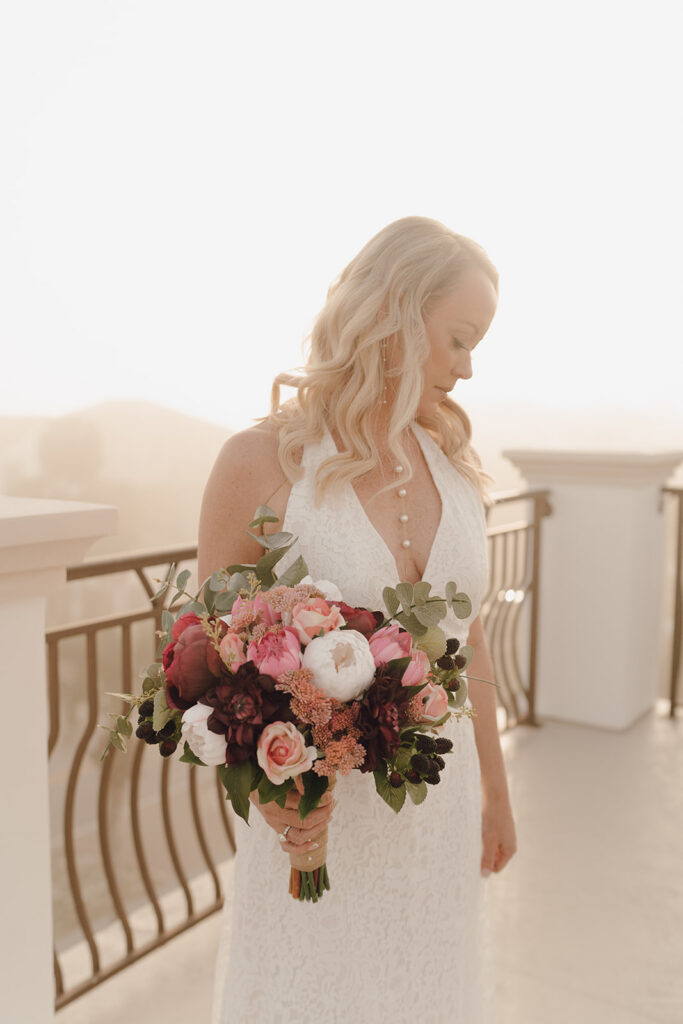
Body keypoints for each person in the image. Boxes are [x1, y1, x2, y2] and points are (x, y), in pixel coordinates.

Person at [200, 215, 517, 1023]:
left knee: (425, 988)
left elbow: (468, 633)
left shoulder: (450, 467)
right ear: (395, 320)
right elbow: (207, 655)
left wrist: (494, 792)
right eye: (458, 339)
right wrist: (267, 789)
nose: (469, 367)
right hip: (315, 820)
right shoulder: (259, 462)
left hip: (433, 813)